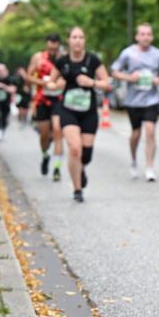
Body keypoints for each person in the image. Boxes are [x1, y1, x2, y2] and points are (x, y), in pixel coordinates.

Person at [46, 26, 111, 202]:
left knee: (86, 154)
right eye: (74, 37)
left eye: (81, 37)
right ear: (68, 40)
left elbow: (106, 83)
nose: (77, 40)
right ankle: (77, 189)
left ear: (84, 40)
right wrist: (56, 85)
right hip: (68, 110)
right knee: (75, 148)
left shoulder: (93, 60)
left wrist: (92, 82)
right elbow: (50, 83)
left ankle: (81, 168)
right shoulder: (62, 62)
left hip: (88, 112)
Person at [110, 23, 159, 182]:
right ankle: (134, 159)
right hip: (133, 101)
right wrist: (130, 78)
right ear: (137, 37)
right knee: (136, 134)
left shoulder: (157, 54)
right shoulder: (128, 53)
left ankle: (149, 167)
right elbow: (114, 71)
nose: (145, 37)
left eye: (148, 34)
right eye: (142, 34)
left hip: (151, 99)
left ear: (152, 37)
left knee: (150, 131)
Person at [27, 33, 66, 180]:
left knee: (57, 131)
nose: (52, 52)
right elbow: (29, 76)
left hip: (59, 99)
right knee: (44, 135)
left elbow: (70, 75)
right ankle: (45, 156)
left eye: (55, 49)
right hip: (42, 100)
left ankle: (57, 169)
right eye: (50, 49)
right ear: (46, 45)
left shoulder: (64, 58)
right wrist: (43, 83)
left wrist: (62, 82)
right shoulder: (38, 58)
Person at [0, 61, 18, 142]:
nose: (0, 72)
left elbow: (13, 90)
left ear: (5, 70)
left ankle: (1, 130)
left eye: (1, 70)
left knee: (5, 119)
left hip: (6, 102)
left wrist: (4, 86)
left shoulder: (10, 79)